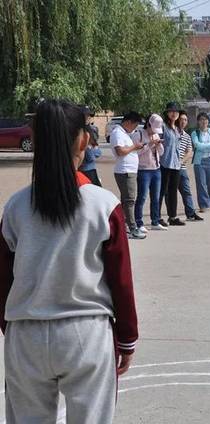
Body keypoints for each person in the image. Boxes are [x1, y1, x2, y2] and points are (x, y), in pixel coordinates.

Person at [0, 99, 138, 423]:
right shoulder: (103, 205)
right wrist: (127, 338)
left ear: (35, 142)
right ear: (83, 140)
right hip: (86, 333)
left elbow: (2, 277)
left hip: (26, 332)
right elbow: (121, 280)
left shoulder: (16, 207)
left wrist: (13, 326)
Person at [110, 111, 146, 239]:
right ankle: (132, 228)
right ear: (128, 122)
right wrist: (134, 147)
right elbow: (120, 151)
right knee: (130, 200)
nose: (135, 129)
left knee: (127, 200)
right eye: (135, 125)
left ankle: (125, 227)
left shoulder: (124, 133)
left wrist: (135, 147)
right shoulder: (117, 132)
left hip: (129, 170)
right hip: (125, 171)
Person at [132, 114, 166, 232]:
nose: (154, 131)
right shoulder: (139, 134)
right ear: (148, 124)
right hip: (143, 170)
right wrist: (149, 145)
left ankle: (155, 221)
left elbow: (161, 153)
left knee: (156, 197)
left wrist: (158, 145)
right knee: (142, 197)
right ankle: (138, 222)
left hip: (156, 169)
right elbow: (135, 153)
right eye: (153, 128)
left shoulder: (156, 134)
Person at [159, 102, 186, 226]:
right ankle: (157, 216)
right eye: (171, 111)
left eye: (176, 111)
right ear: (167, 113)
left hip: (175, 164)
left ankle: (173, 216)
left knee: (173, 191)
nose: (174, 113)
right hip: (164, 163)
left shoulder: (178, 129)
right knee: (162, 191)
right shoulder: (163, 127)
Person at [176, 111, 203, 222]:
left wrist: (182, 161)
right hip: (170, 169)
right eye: (182, 119)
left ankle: (191, 213)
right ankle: (169, 216)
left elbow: (189, 151)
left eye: (186, 120)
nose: (183, 122)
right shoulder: (171, 133)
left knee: (186, 191)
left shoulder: (186, 136)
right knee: (168, 193)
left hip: (181, 168)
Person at [191, 112, 210, 212]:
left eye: (205, 119)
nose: (204, 121)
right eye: (201, 119)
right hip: (199, 162)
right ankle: (203, 205)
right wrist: (208, 146)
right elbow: (196, 145)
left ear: (208, 121)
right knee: (201, 184)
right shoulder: (195, 133)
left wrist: (203, 146)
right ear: (198, 122)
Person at [79, 105, 102, 186]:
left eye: (89, 115)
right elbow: (90, 156)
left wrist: (91, 150)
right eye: (86, 115)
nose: (88, 117)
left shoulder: (91, 130)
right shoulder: (77, 131)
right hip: (82, 170)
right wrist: (92, 150)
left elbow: (98, 152)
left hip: (91, 169)